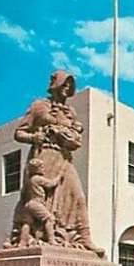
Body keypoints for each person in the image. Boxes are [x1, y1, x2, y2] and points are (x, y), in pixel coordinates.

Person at [8, 70, 103, 255]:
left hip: (64, 158)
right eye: (65, 83)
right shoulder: (39, 106)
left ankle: (84, 238)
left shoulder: (71, 113)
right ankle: (37, 235)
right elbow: (19, 133)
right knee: (38, 201)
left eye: (71, 85)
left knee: (79, 197)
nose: (68, 88)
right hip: (42, 158)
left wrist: (67, 137)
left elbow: (77, 139)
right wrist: (35, 137)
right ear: (56, 84)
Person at [17, 158, 62, 246]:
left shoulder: (28, 181)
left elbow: (23, 193)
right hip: (36, 203)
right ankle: (51, 240)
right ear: (36, 169)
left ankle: (22, 242)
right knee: (49, 219)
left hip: (28, 204)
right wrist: (59, 176)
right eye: (41, 166)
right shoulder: (37, 178)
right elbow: (51, 184)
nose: (43, 168)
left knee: (27, 223)